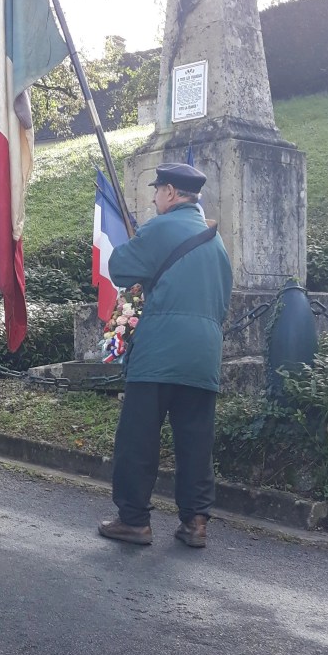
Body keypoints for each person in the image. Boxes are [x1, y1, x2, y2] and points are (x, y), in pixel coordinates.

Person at [98, 162, 233, 549]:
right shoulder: (216, 241)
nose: (155, 198)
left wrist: (135, 240)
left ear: (171, 193)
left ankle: (134, 521)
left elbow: (120, 268)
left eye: (157, 190)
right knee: (195, 443)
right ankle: (195, 523)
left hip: (159, 352)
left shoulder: (160, 228)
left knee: (138, 439)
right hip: (204, 355)